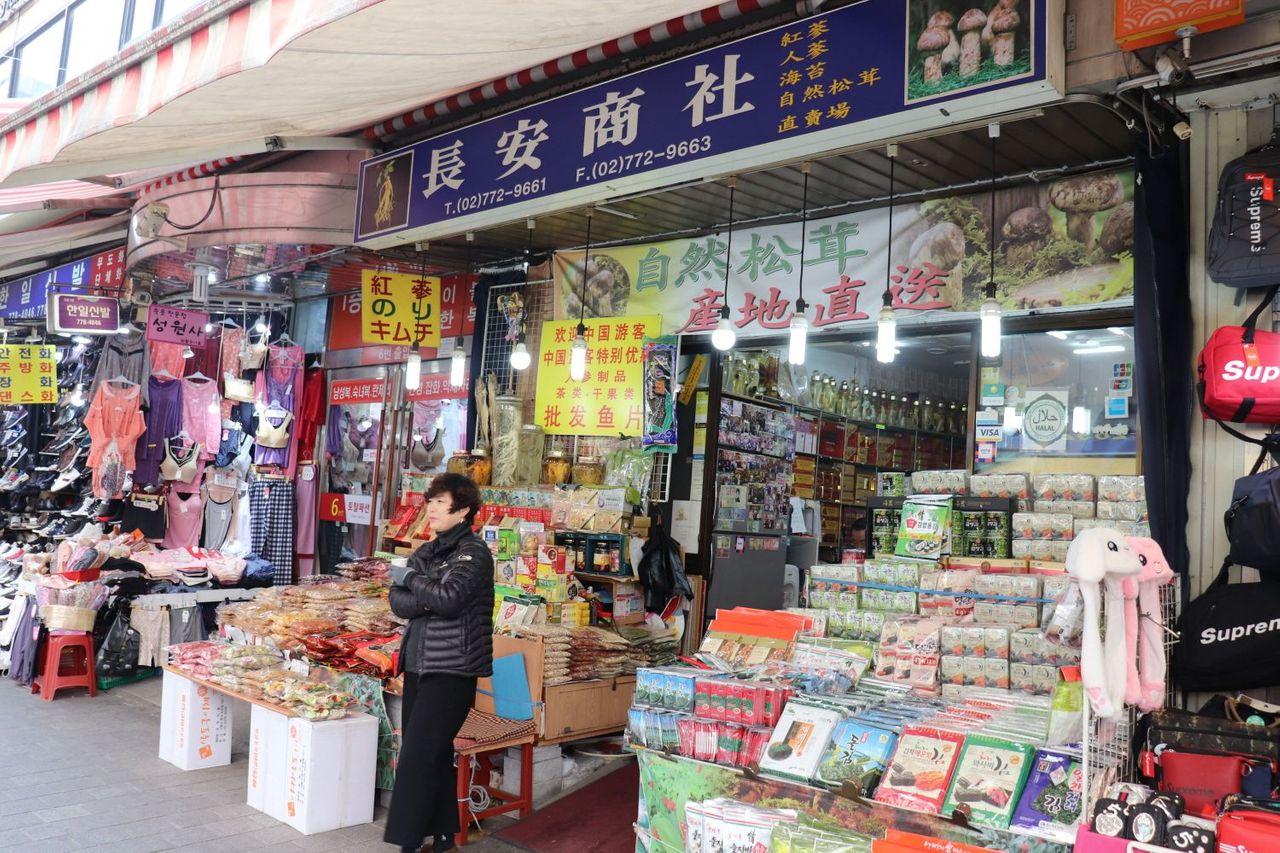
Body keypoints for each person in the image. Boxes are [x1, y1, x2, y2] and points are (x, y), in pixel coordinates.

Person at [384, 473, 494, 853]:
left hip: (453, 670)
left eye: (439, 502)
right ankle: (445, 834)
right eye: (429, 501)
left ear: (462, 510)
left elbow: (449, 598)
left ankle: (407, 840)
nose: (430, 508)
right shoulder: (429, 551)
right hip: (417, 664)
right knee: (432, 750)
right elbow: (396, 600)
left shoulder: (474, 552)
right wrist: (422, 589)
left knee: (417, 753)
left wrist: (414, 580)